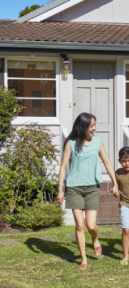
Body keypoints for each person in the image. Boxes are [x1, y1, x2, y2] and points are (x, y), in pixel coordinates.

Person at [57, 112, 118, 270]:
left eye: (94, 126)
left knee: (91, 225)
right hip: (74, 188)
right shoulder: (70, 143)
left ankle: (95, 238)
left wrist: (115, 183)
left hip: (92, 188)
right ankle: (84, 258)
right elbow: (63, 167)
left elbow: (107, 163)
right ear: (82, 126)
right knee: (79, 225)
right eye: (91, 126)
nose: (94, 128)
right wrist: (60, 190)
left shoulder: (97, 142)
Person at [115, 147, 129, 265]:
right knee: (126, 230)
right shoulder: (118, 173)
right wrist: (114, 190)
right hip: (124, 204)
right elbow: (116, 187)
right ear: (120, 161)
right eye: (124, 161)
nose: (127, 164)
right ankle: (125, 256)